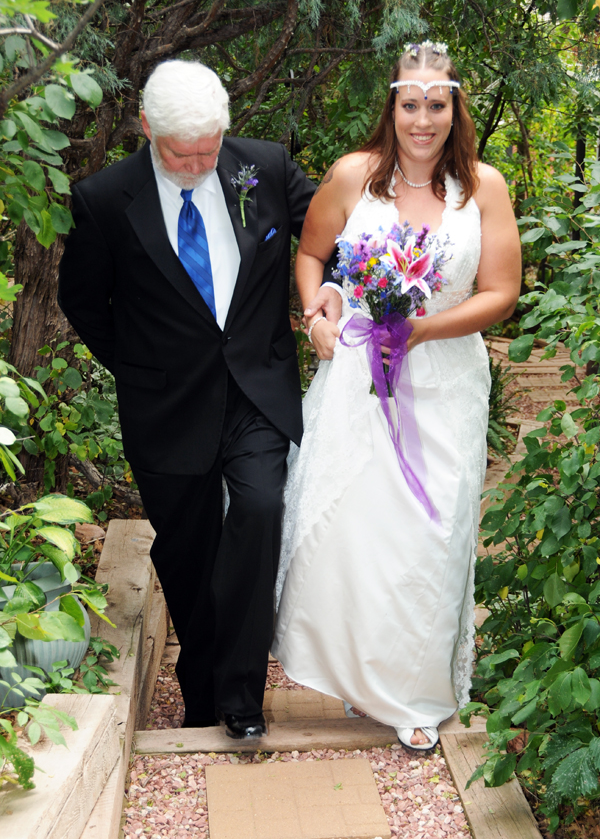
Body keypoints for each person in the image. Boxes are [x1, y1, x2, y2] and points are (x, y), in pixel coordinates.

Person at [58, 60, 341, 739]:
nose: (196, 164)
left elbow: (329, 239)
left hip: (257, 390)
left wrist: (330, 291)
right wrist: (141, 367)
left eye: (209, 150)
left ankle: (242, 699)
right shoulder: (104, 198)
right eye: (180, 153)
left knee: (260, 507)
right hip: (165, 407)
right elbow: (82, 300)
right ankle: (205, 693)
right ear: (148, 128)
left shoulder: (265, 167)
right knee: (188, 555)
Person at [272, 41, 521, 750]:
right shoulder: (353, 175)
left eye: (436, 104)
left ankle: (414, 690)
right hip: (357, 381)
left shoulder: (485, 187)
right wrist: (317, 314)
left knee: (429, 537)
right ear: (393, 106)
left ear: (453, 108)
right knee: (358, 530)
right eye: (410, 103)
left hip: (444, 383)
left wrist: (420, 330)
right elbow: (311, 253)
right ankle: (361, 675)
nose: (422, 118)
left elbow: (502, 292)